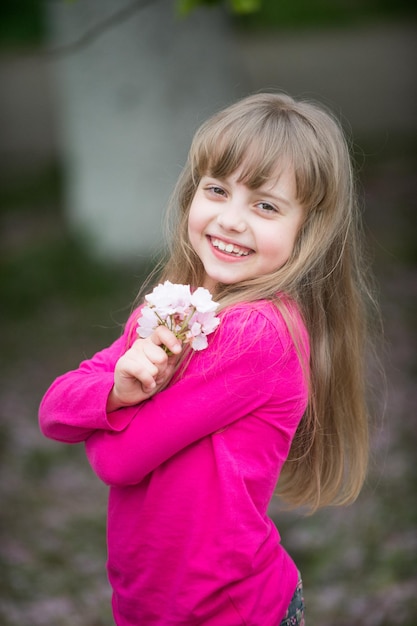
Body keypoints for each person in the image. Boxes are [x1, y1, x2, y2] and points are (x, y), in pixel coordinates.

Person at [39, 92, 376, 626]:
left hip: (227, 612)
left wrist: (108, 405)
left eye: (265, 205)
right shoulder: (178, 307)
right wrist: (114, 391)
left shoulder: (257, 333)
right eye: (217, 190)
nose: (231, 219)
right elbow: (54, 410)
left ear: (307, 232)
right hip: (150, 605)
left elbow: (117, 462)